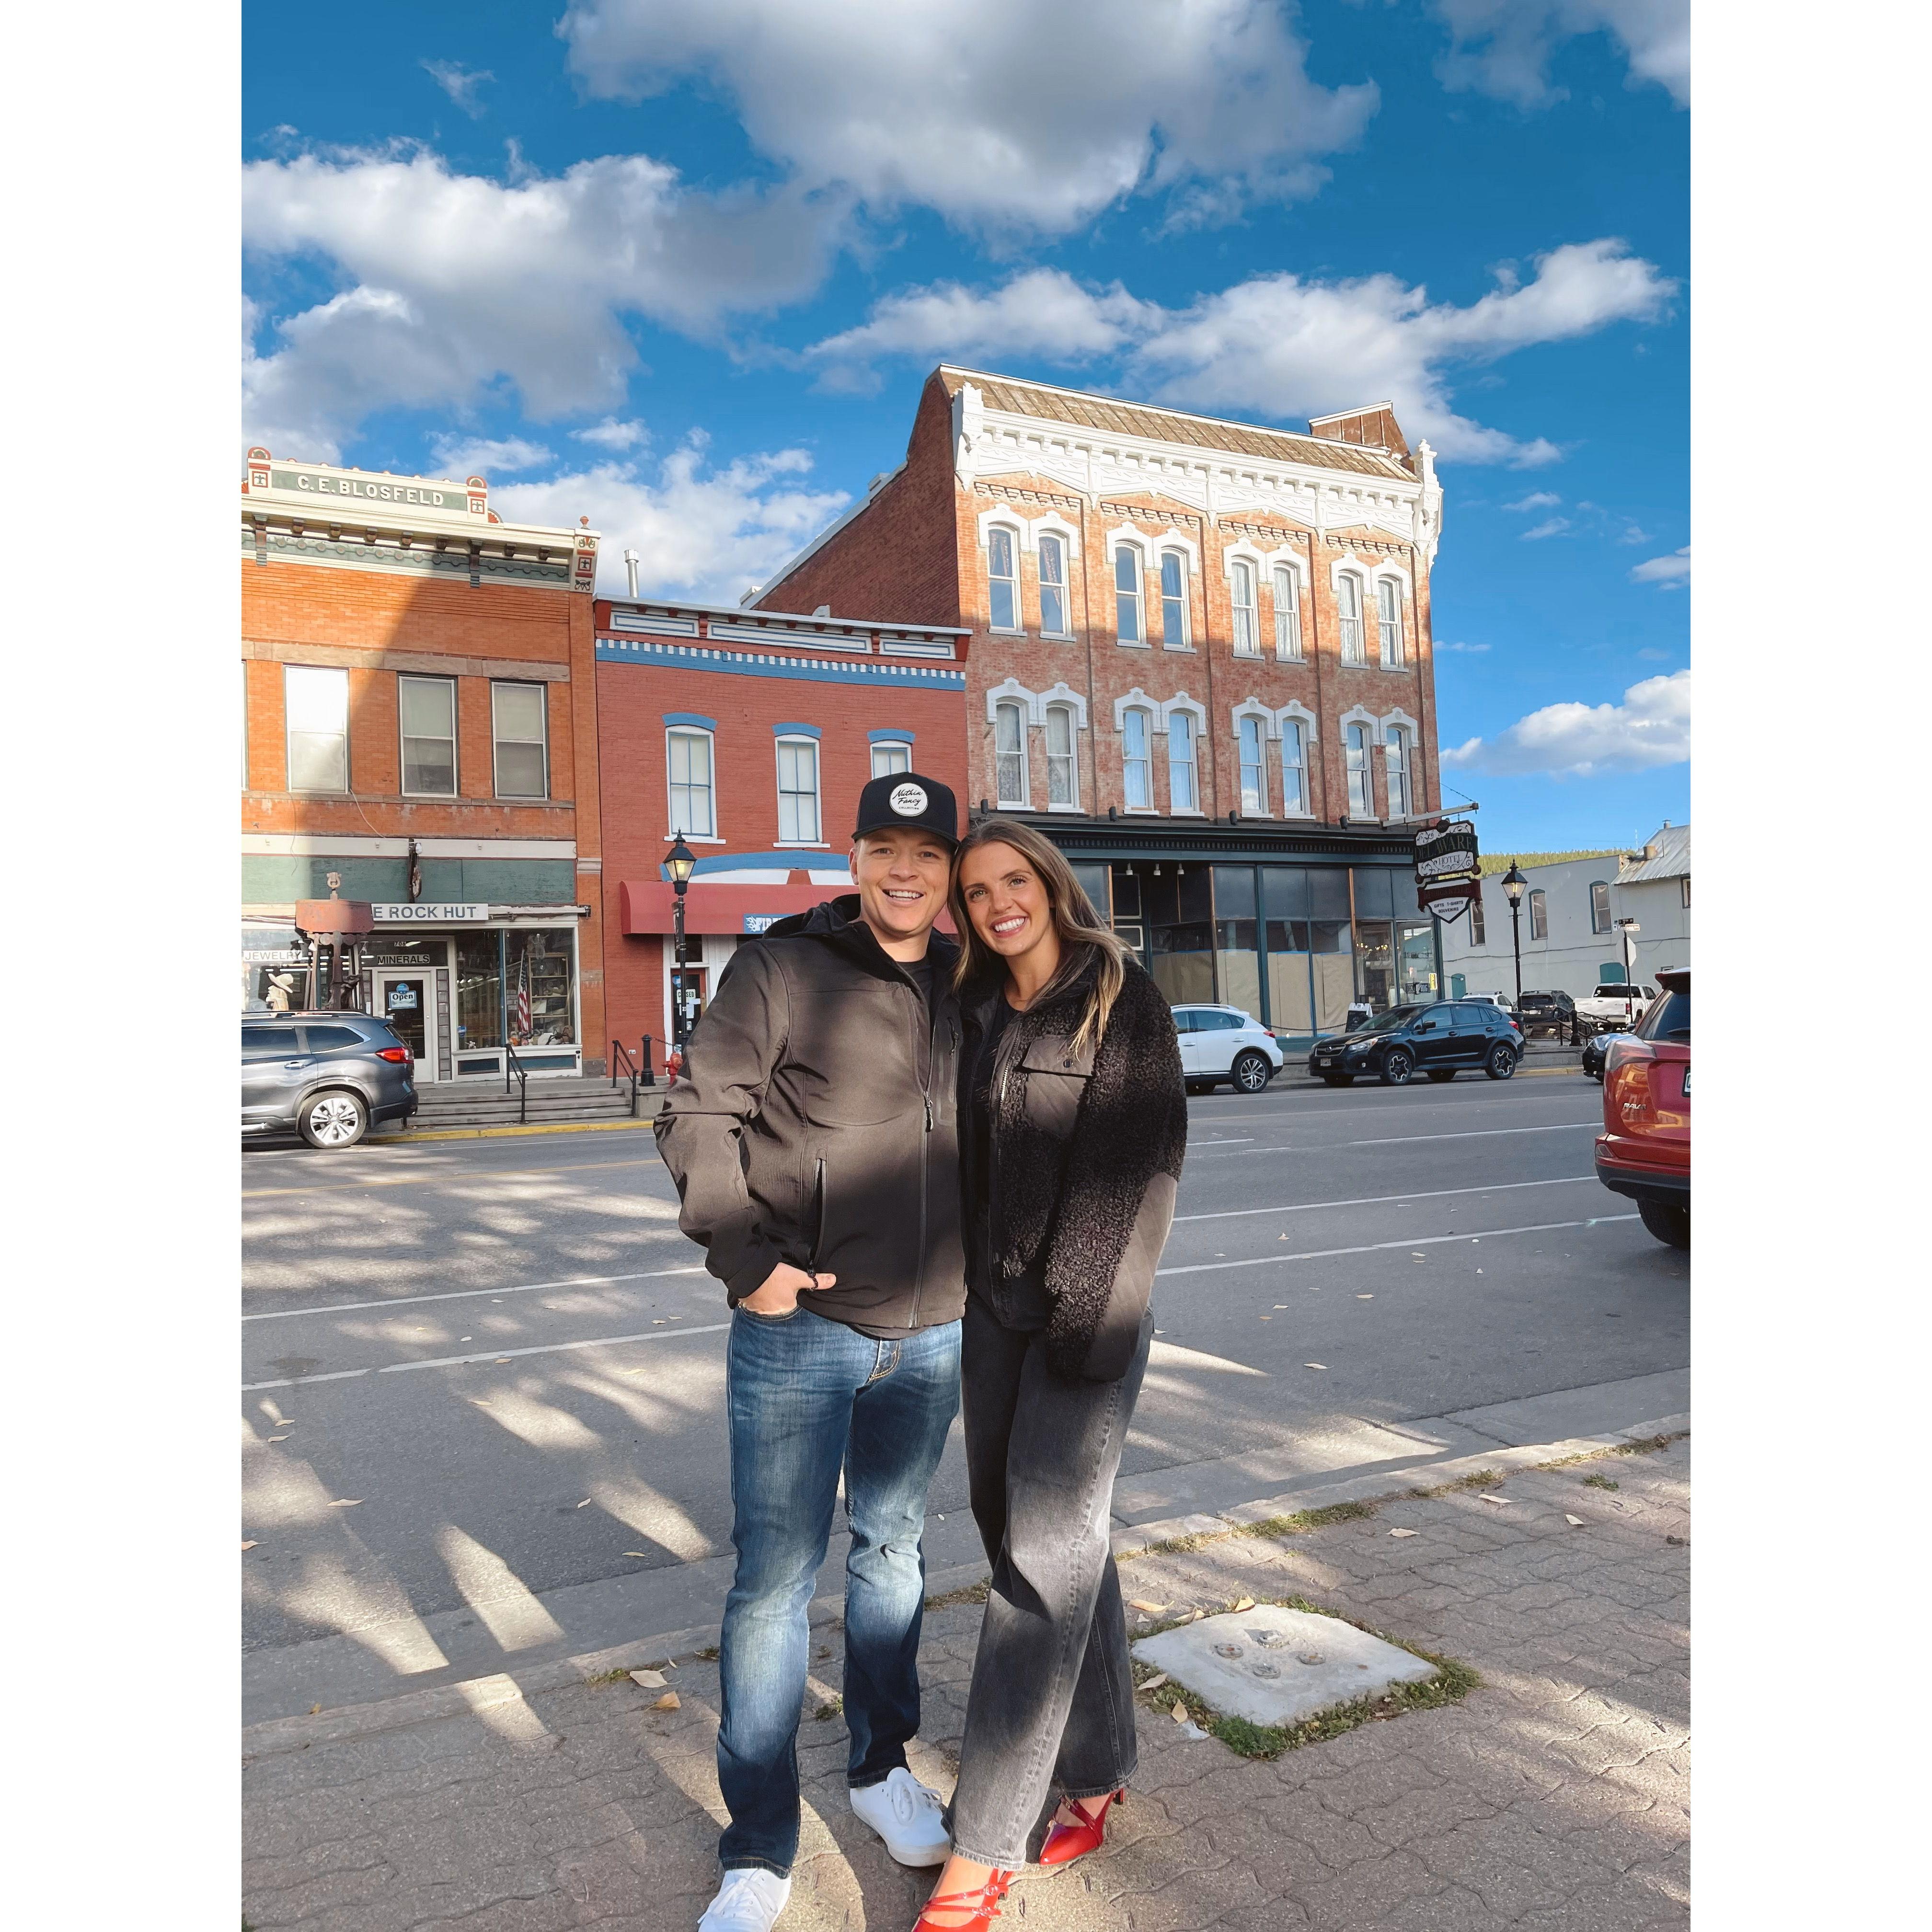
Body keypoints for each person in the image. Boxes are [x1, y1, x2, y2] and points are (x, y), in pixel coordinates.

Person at [656, 772, 969, 1932]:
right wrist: (748, 1262)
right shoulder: (783, 967)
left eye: (926, 855)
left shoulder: (971, 981)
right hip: (800, 1332)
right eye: (885, 850)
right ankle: (757, 1845)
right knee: (774, 1587)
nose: (905, 872)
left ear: (949, 871)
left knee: (895, 1554)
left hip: (932, 1331)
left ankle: (882, 1770)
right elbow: (699, 1116)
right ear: (854, 857)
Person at [913, 818, 1188, 1932]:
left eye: (1012, 881)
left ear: (1050, 883)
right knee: (1036, 1542)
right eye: (976, 893)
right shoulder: (979, 1007)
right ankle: (1098, 1763)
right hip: (996, 1315)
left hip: (1086, 1320)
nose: (996, 905)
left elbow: (1140, 1175)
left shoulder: (1122, 999)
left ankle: (983, 1847)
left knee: (1040, 1566)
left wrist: (1087, 1325)